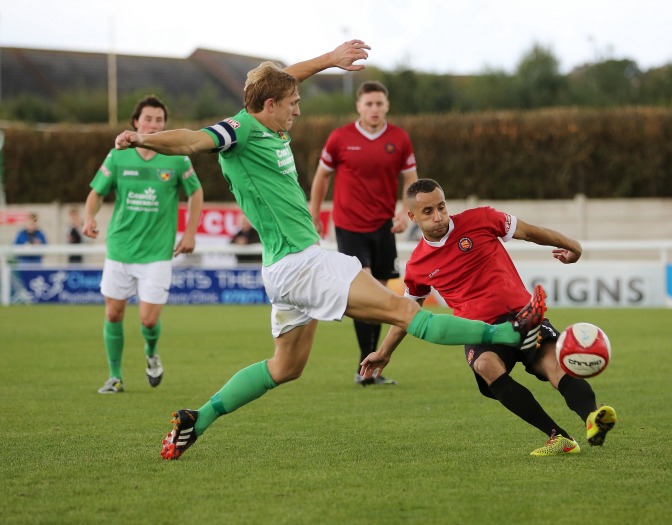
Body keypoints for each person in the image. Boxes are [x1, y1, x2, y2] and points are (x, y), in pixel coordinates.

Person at [112, 41, 545, 461]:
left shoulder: (265, 115)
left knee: (285, 368)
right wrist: (141, 139)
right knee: (406, 312)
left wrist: (331, 60)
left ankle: (197, 419)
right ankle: (510, 334)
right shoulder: (238, 131)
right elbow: (190, 140)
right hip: (305, 264)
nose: (299, 108)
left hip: (283, 269)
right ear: (269, 105)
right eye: (293, 102)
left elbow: (286, 79)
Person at [360, 178, 617, 456]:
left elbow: (530, 232)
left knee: (556, 366)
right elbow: (407, 314)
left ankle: (592, 419)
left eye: (442, 207)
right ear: (412, 217)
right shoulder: (417, 266)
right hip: (478, 330)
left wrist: (574, 246)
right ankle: (558, 437)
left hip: (525, 316)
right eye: (428, 212)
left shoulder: (481, 218)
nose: (438, 217)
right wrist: (384, 352)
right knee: (486, 365)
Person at [84, 95, 204, 394]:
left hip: (157, 254)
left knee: (149, 321)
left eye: (159, 120)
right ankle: (115, 377)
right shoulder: (117, 156)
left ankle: (151, 355)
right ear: (136, 122)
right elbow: (97, 192)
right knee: (113, 314)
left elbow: (196, 192)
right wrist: (89, 216)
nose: (153, 124)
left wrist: (189, 232)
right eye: (148, 119)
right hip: (120, 248)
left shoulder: (177, 157)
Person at [309, 81, 418, 386]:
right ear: (358, 106)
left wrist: (405, 213)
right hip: (350, 225)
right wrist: (315, 214)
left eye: (379, 104)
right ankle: (364, 368)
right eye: (368, 103)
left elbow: (411, 179)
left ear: (387, 106)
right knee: (366, 291)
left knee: (381, 297)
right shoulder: (340, 138)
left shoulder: (399, 138)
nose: (374, 109)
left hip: (383, 227)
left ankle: (370, 367)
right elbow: (322, 177)